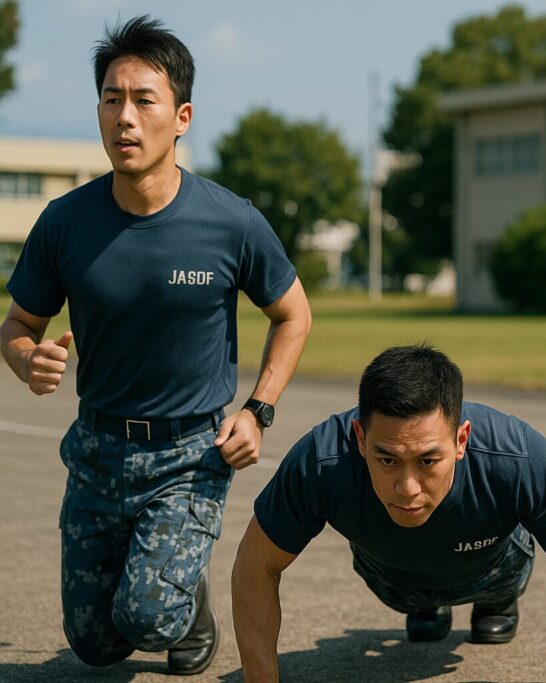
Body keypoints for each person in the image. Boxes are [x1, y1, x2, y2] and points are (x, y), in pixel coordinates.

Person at [0, 16, 311, 676]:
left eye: (145, 99)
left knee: (146, 615)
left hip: (189, 454)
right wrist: (28, 359)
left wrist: (258, 410)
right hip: (97, 450)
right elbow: (16, 325)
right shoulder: (65, 222)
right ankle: (172, 579)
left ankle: (183, 601)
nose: (125, 117)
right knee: (95, 644)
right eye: (112, 99)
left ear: (182, 116)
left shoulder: (231, 220)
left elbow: (293, 315)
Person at [232, 344, 546, 682]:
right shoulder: (321, 461)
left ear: (461, 439)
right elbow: (255, 564)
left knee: (509, 566)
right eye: (387, 459)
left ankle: (496, 602)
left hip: (492, 566)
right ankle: (426, 605)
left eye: (428, 460)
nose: (408, 487)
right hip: (392, 577)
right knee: (414, 604)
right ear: (361, 438)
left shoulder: (516, 456)